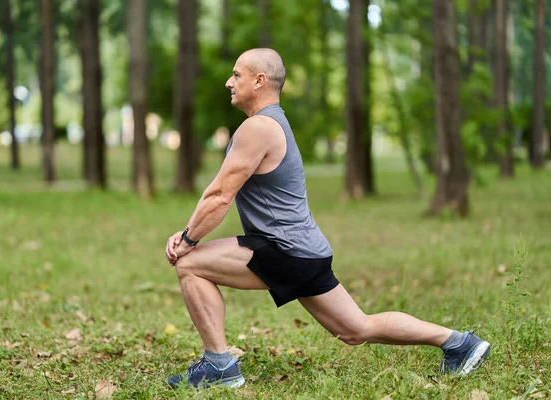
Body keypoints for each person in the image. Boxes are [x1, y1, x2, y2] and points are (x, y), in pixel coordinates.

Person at [164, 48, 490, 389]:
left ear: (260, 81)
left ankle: (219, 367)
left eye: (237, 75)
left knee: (190, 264)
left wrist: (187, 240)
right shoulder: (274, 122)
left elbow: (219, 196)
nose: (229, 82)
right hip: (306, 251)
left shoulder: (258, 128)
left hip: (284, 249)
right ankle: (459, 343)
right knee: (356, 329)